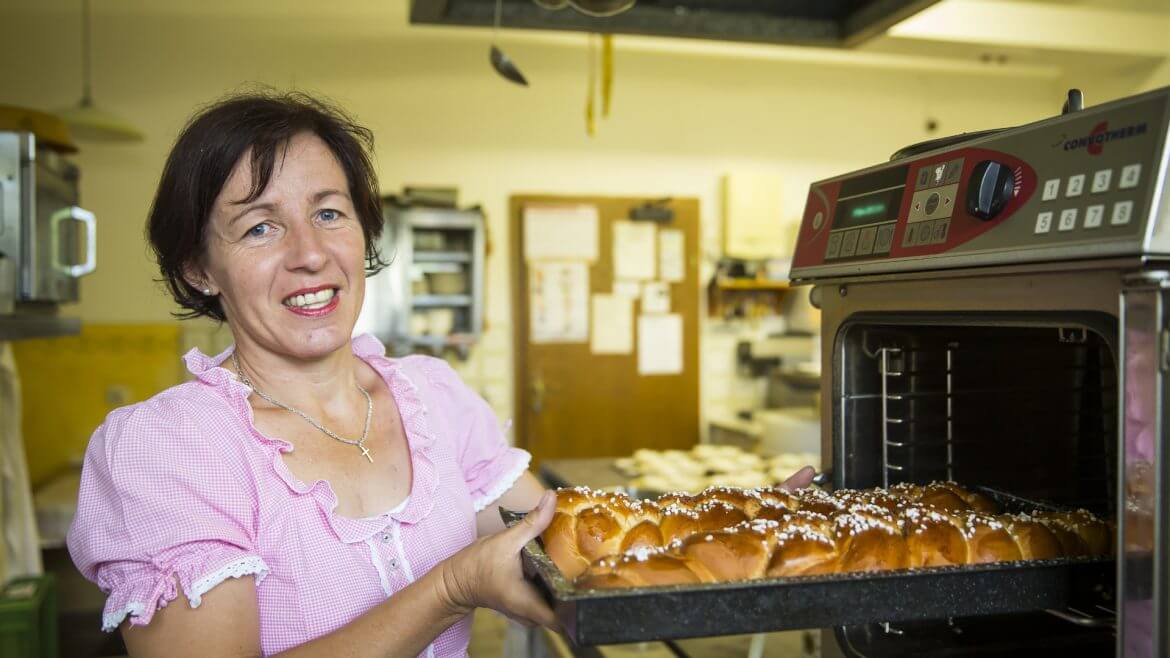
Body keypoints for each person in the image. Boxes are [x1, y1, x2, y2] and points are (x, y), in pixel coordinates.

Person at [66, 91, 815, 657]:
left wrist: (727, 524)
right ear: (200, 268)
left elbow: (563, 536)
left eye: (330, 213)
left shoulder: (430, 396)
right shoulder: (171, 449)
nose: (309, 252)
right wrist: (452, 588)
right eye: (260, 225)